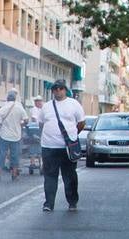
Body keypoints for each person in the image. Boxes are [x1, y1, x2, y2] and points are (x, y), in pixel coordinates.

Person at [40, 78, 85, 212]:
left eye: (60, 88)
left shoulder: (74, 104)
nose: (58, 91)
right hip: (49, 146)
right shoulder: (47, 106)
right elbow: (41, 123)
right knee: (50, 176)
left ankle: (72, 202)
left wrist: (72, 136)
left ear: (65, 90)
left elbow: (81, 123)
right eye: (55, 89)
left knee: (69, 176)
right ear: (52, 91)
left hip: (67, 148)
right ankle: (49, 203)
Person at [0, 90, 30, 181]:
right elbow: (26, 120)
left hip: (3, 135)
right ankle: (14, 175)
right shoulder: (20, 108)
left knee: (1, 155)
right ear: (15, 98)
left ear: (7, 99)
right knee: (15, 156)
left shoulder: (2, 108)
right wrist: (20, 125)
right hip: (16, 136)